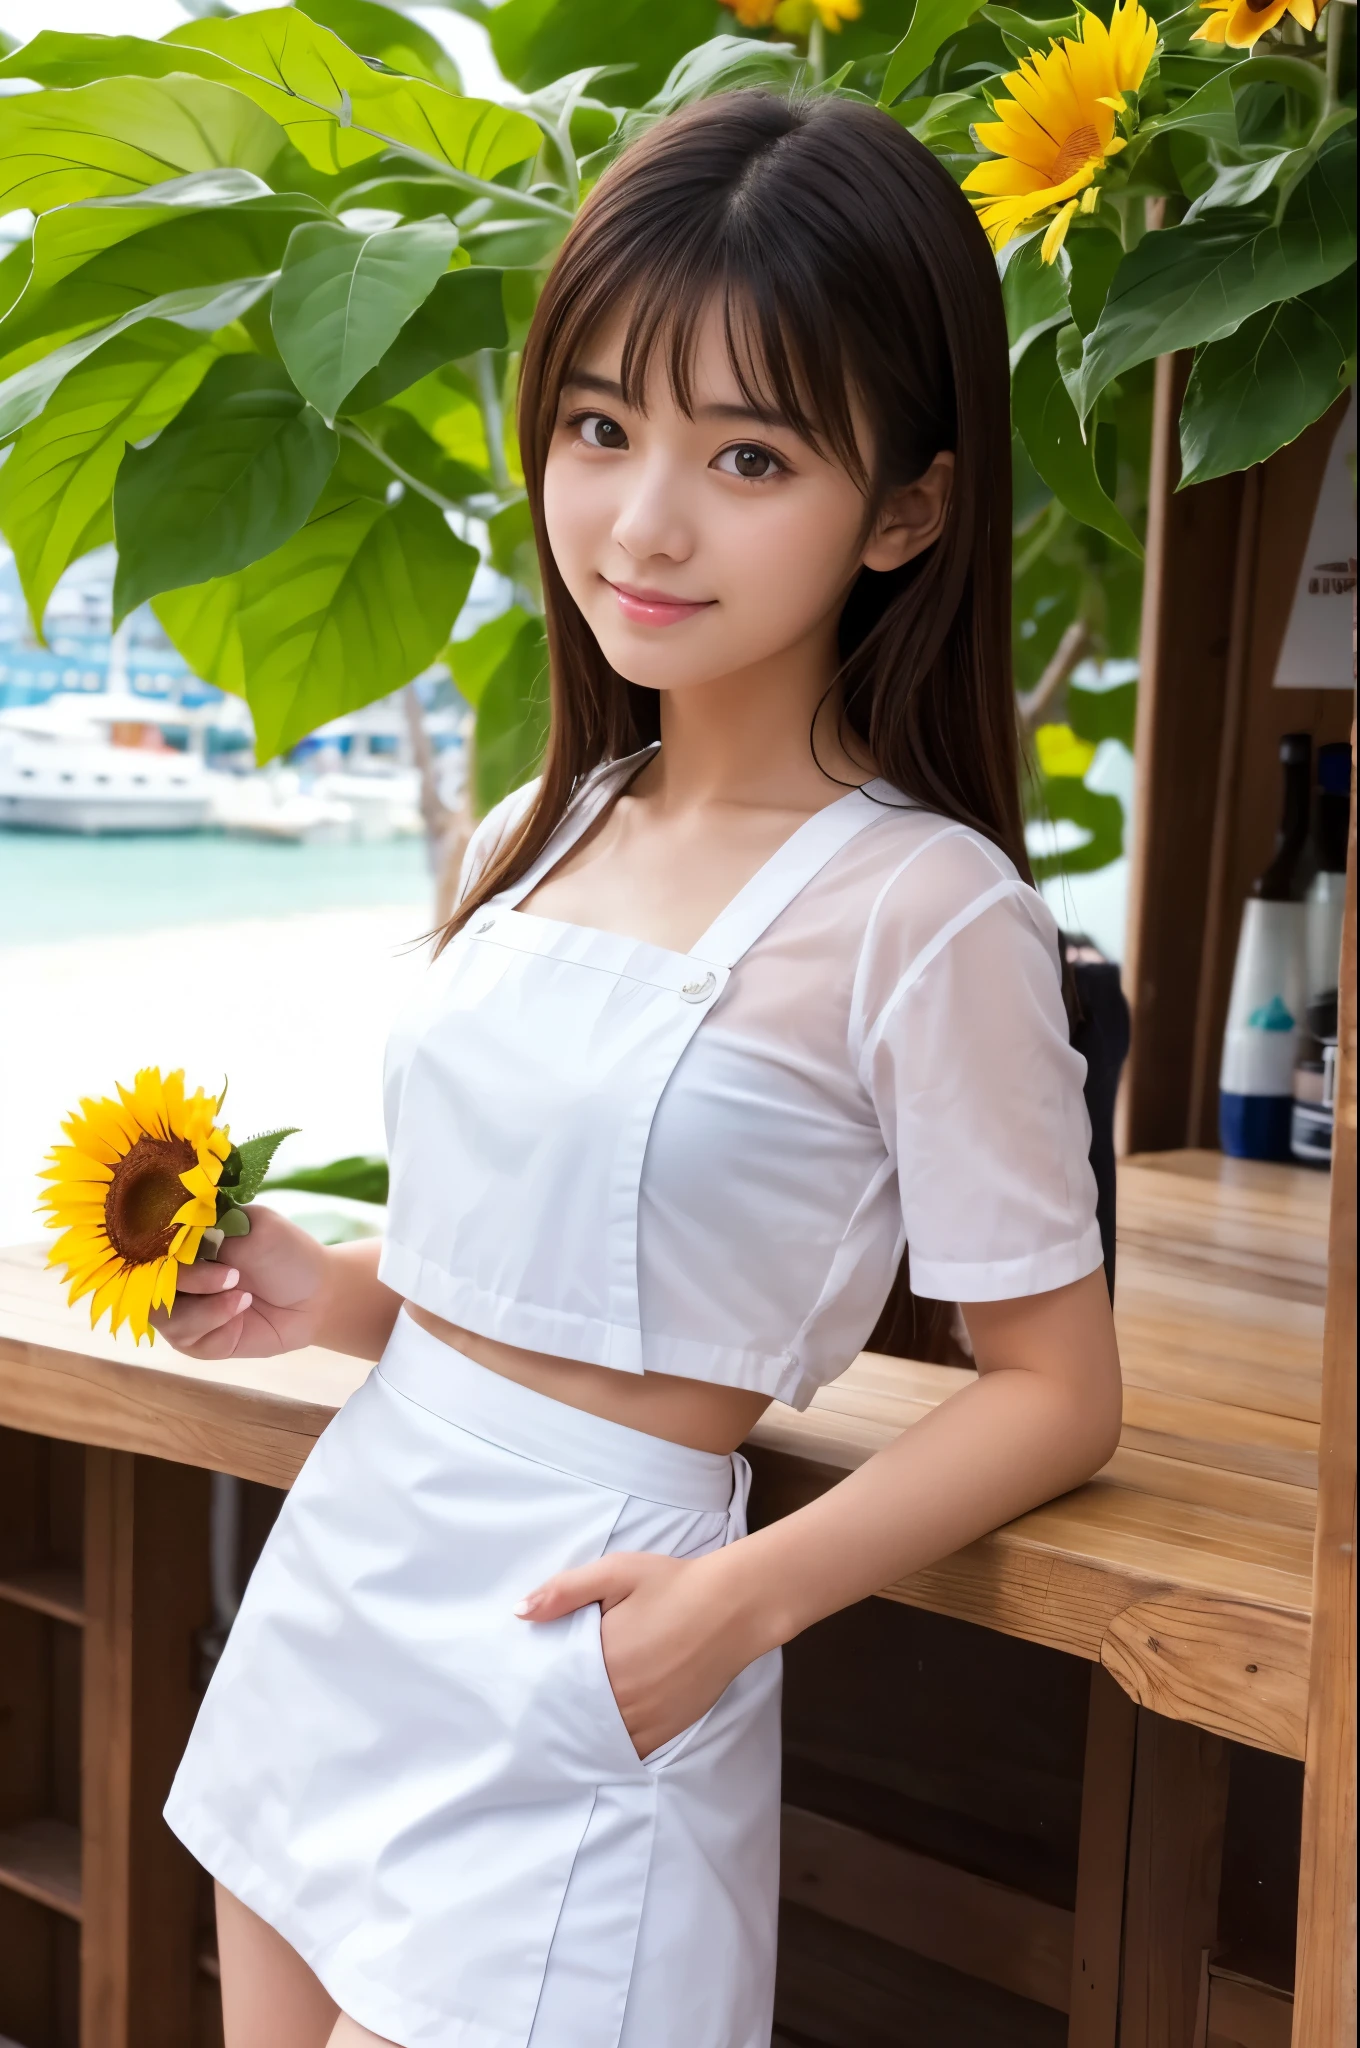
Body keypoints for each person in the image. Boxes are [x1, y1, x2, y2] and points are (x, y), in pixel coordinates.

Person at [157, 88, 1123, 2048]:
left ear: (909, 506)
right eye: (598, 426)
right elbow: (507, 1272)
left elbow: (1055, 1393)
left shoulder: (927, 918)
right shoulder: (561, 812)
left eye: (745, 451)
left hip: (591, 1640)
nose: (638, 516)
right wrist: (325, 1292)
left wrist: (737, 1602)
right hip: (350, 1579)